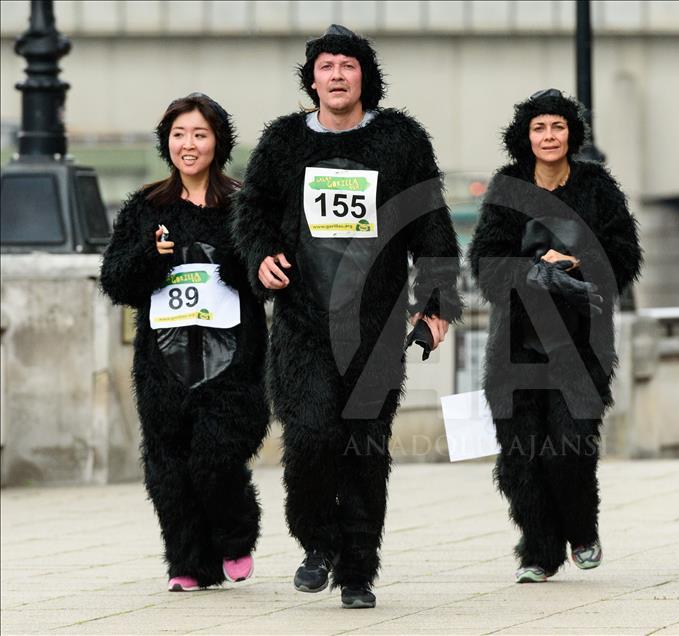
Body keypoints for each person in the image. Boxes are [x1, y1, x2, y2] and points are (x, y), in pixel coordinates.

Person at [231, 25, 462, 609]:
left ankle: (358, 571)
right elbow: (252, 214)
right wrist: (261, 257)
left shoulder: (400, 140)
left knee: (364, 448)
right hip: (303, 323)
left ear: (365, 77)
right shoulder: (284, 142)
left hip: (375, 323)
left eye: (348, 65)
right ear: (312, 80)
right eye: (327, 66)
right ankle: (318, 541)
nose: (337, 75)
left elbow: (431, 225)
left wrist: (436, 305)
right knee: (310, 438)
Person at [468, 89, 642, 583]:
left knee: (570, 447)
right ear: (526, 137)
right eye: (540, 128)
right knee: (520, 458)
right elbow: (484, 263)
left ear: (571, 134)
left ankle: (582, 531)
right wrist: (533, 270)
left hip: (581, 345)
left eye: (558, 127)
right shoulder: (508, 187)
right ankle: (539, 551)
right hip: (516, 345)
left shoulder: (596, 186)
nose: (549, 136)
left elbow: (625, 256)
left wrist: (579, 264)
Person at [99, 93, 269, 592]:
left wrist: (237, 261)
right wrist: (151, 257)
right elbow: (115, 280)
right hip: (164, 364)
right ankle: (189, 563)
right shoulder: (147, 207)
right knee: (168, 468)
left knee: (216, 458)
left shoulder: (243, 204)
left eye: (199, 134)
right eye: (178, 135)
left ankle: (235, 537)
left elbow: (266, 275)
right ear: (166, 143)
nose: (188, 145)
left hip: (233, 361)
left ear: (218, 142)